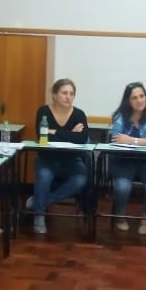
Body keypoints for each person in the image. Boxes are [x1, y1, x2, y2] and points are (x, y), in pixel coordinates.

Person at [28, 78, 90, 235]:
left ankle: (39, 203)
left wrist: (54, 131)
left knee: (81, 179)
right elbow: (42, 136)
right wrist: (70, 134)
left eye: (71, 94)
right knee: (44, 177)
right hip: (47, 159)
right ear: (55, 95)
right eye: (64, 93)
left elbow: (81, 139)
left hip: (72, 160)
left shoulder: (79, 114)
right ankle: (39, 216)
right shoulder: (43, 111)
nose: (68, 97)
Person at [108, 82, 146, 235]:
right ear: (128, 101)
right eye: (134, 97)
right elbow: (115, 138)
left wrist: (133, 140)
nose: (139, 100)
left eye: (142, 96)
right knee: (122, 187)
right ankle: (120, 216)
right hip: (124, 161)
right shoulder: (120, 116)